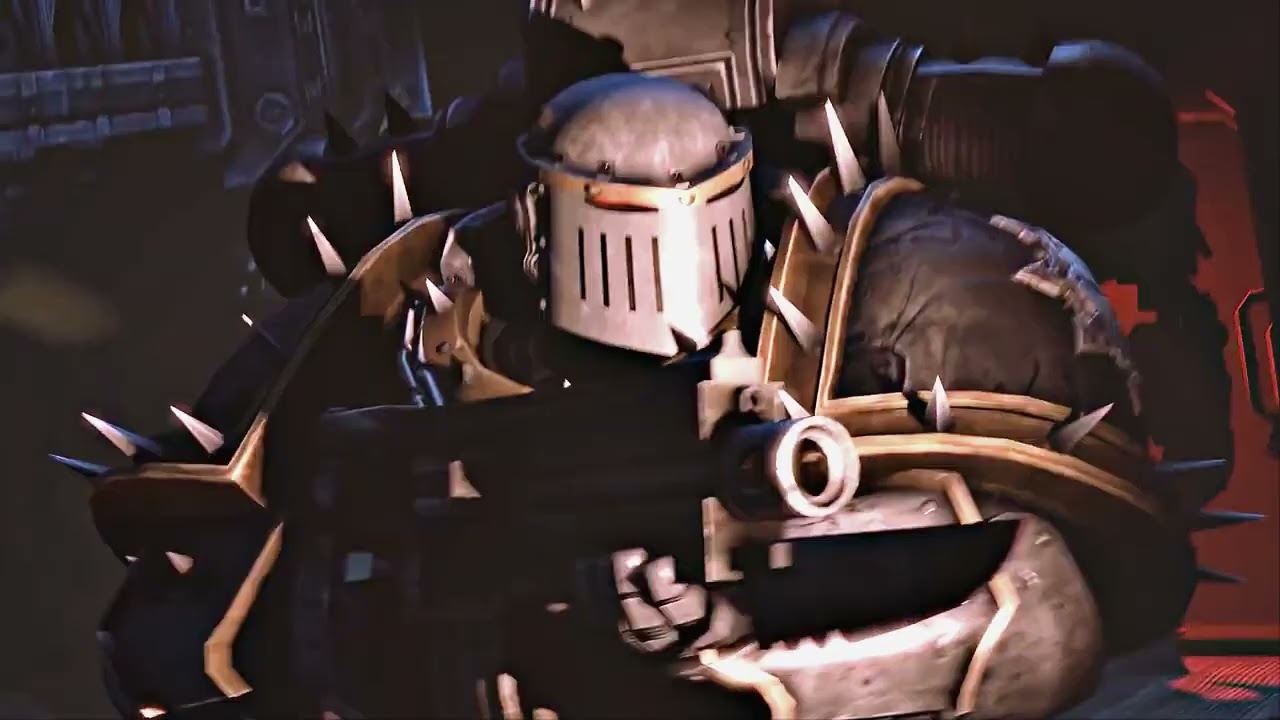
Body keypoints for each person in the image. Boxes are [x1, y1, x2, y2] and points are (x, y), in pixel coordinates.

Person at [64, 70, 1209, 719]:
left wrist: (739, 652)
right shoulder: (409, 303)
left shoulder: (899, 289)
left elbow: (1042, 601)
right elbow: (175, 608)